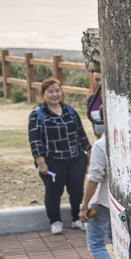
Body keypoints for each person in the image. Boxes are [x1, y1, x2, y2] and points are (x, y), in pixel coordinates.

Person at [27, 78, 90, 234]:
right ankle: (55, 221)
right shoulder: (37, 115)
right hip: (52, 162)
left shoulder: (70, 110)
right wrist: (41, 163)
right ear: (43, 94)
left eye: (57, 90)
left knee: (76, 190)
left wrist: (88, 152)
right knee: (54, 191)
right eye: (50, 91)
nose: (54, 94)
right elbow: (35, 141)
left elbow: (80, 133)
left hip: (75, 158)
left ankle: (77, 219)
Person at [81, 133, 117, 259]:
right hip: (118, 203)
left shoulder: (100, 144)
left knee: (95, 243)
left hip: (102, 201)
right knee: (117, 240)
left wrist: (84, 205)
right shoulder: (124, 138)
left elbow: (95, 177)